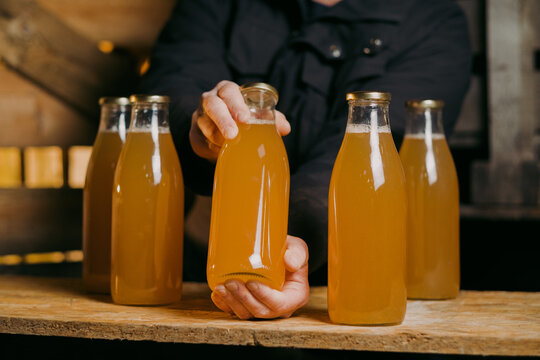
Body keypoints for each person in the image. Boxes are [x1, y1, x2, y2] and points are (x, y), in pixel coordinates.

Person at [139, 0, 472, 319]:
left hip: (354, 282)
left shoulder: (433, 21)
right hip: (211, 277)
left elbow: (362, 162)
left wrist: (288, 252)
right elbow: (174, 80)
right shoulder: (217, 4)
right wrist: (200, 132)